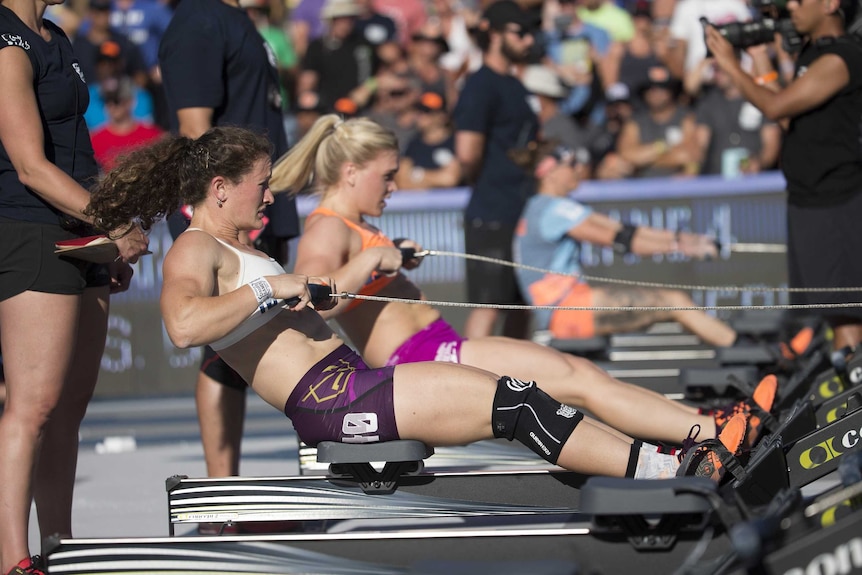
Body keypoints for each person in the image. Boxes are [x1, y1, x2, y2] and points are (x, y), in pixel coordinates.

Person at [85, 125, 751, 509]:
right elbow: (182, 325)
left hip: (349, 382)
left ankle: (669, 459)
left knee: (527, 398)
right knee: (520, 403)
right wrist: (281, 287)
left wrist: (334, 276)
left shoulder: (238, 246)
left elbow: (315, 296)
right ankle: (668, 470)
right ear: (220, 188)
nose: (268, 198)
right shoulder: (198, 247)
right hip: (332, 399)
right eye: (260, 186)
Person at [284, 113, 775, 452]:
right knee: (579, 382)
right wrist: (374, 261)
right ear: (350, 172)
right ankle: (707, 431)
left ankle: (705, 427)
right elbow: (310, 299)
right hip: (421, 362)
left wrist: (388, 259)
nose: (394, 187)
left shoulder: (357, 225)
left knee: (581, 380)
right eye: (386, 177)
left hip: (440, 347)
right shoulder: (328, 225)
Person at [0, 0, 149, 570]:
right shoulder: (7, 42)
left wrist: (106, 233)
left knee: (66, 410)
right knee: (32, 406)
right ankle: (16, 558)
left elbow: (76, 153)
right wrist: (112, 223)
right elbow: (30, 166)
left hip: (78, 231)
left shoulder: (54, 34)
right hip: (31, 230)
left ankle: (59, 547)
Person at [158, 0, 300, 497]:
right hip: (231, 208)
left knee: (265, 336)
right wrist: (230, 221)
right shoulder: (201, 19)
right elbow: (197, 135)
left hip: (253, 201)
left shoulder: (240, 20)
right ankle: (222, 498)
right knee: (222, 350)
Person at [704, 0, 862, 351]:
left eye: (800, 0)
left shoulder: (841, 57)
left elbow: (775, 106)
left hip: (836, 201)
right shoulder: (814, 54)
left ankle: (853, 400)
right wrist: (760, 59)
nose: (790, 6)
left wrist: (730, 64)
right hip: (811, 200)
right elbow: (790, 114)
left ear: (831, 4)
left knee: (846, 318)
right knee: (830, 316)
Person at [511, 142, 738, 350]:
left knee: (675, 303)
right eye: (571, 164)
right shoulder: (554, 209)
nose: (579, 169)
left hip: (567, 309)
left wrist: (685, 241)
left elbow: (624, 231)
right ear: (548, 171)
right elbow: (623, 240)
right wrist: (683, 244)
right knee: (676, 302)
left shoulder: (543, 207)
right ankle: (741, 352)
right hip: (567, 311)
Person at [453, 0, 538, 340]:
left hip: (520, 209)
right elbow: (466, 153)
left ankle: (519, 383)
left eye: (531, 33)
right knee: (488, 306)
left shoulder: (515, 85)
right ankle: (468, 385)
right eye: (520, 32)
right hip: (492, 211)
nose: (529, 41)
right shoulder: (480, 84)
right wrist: (490, 181)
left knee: (521, 306)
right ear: (495, 33)